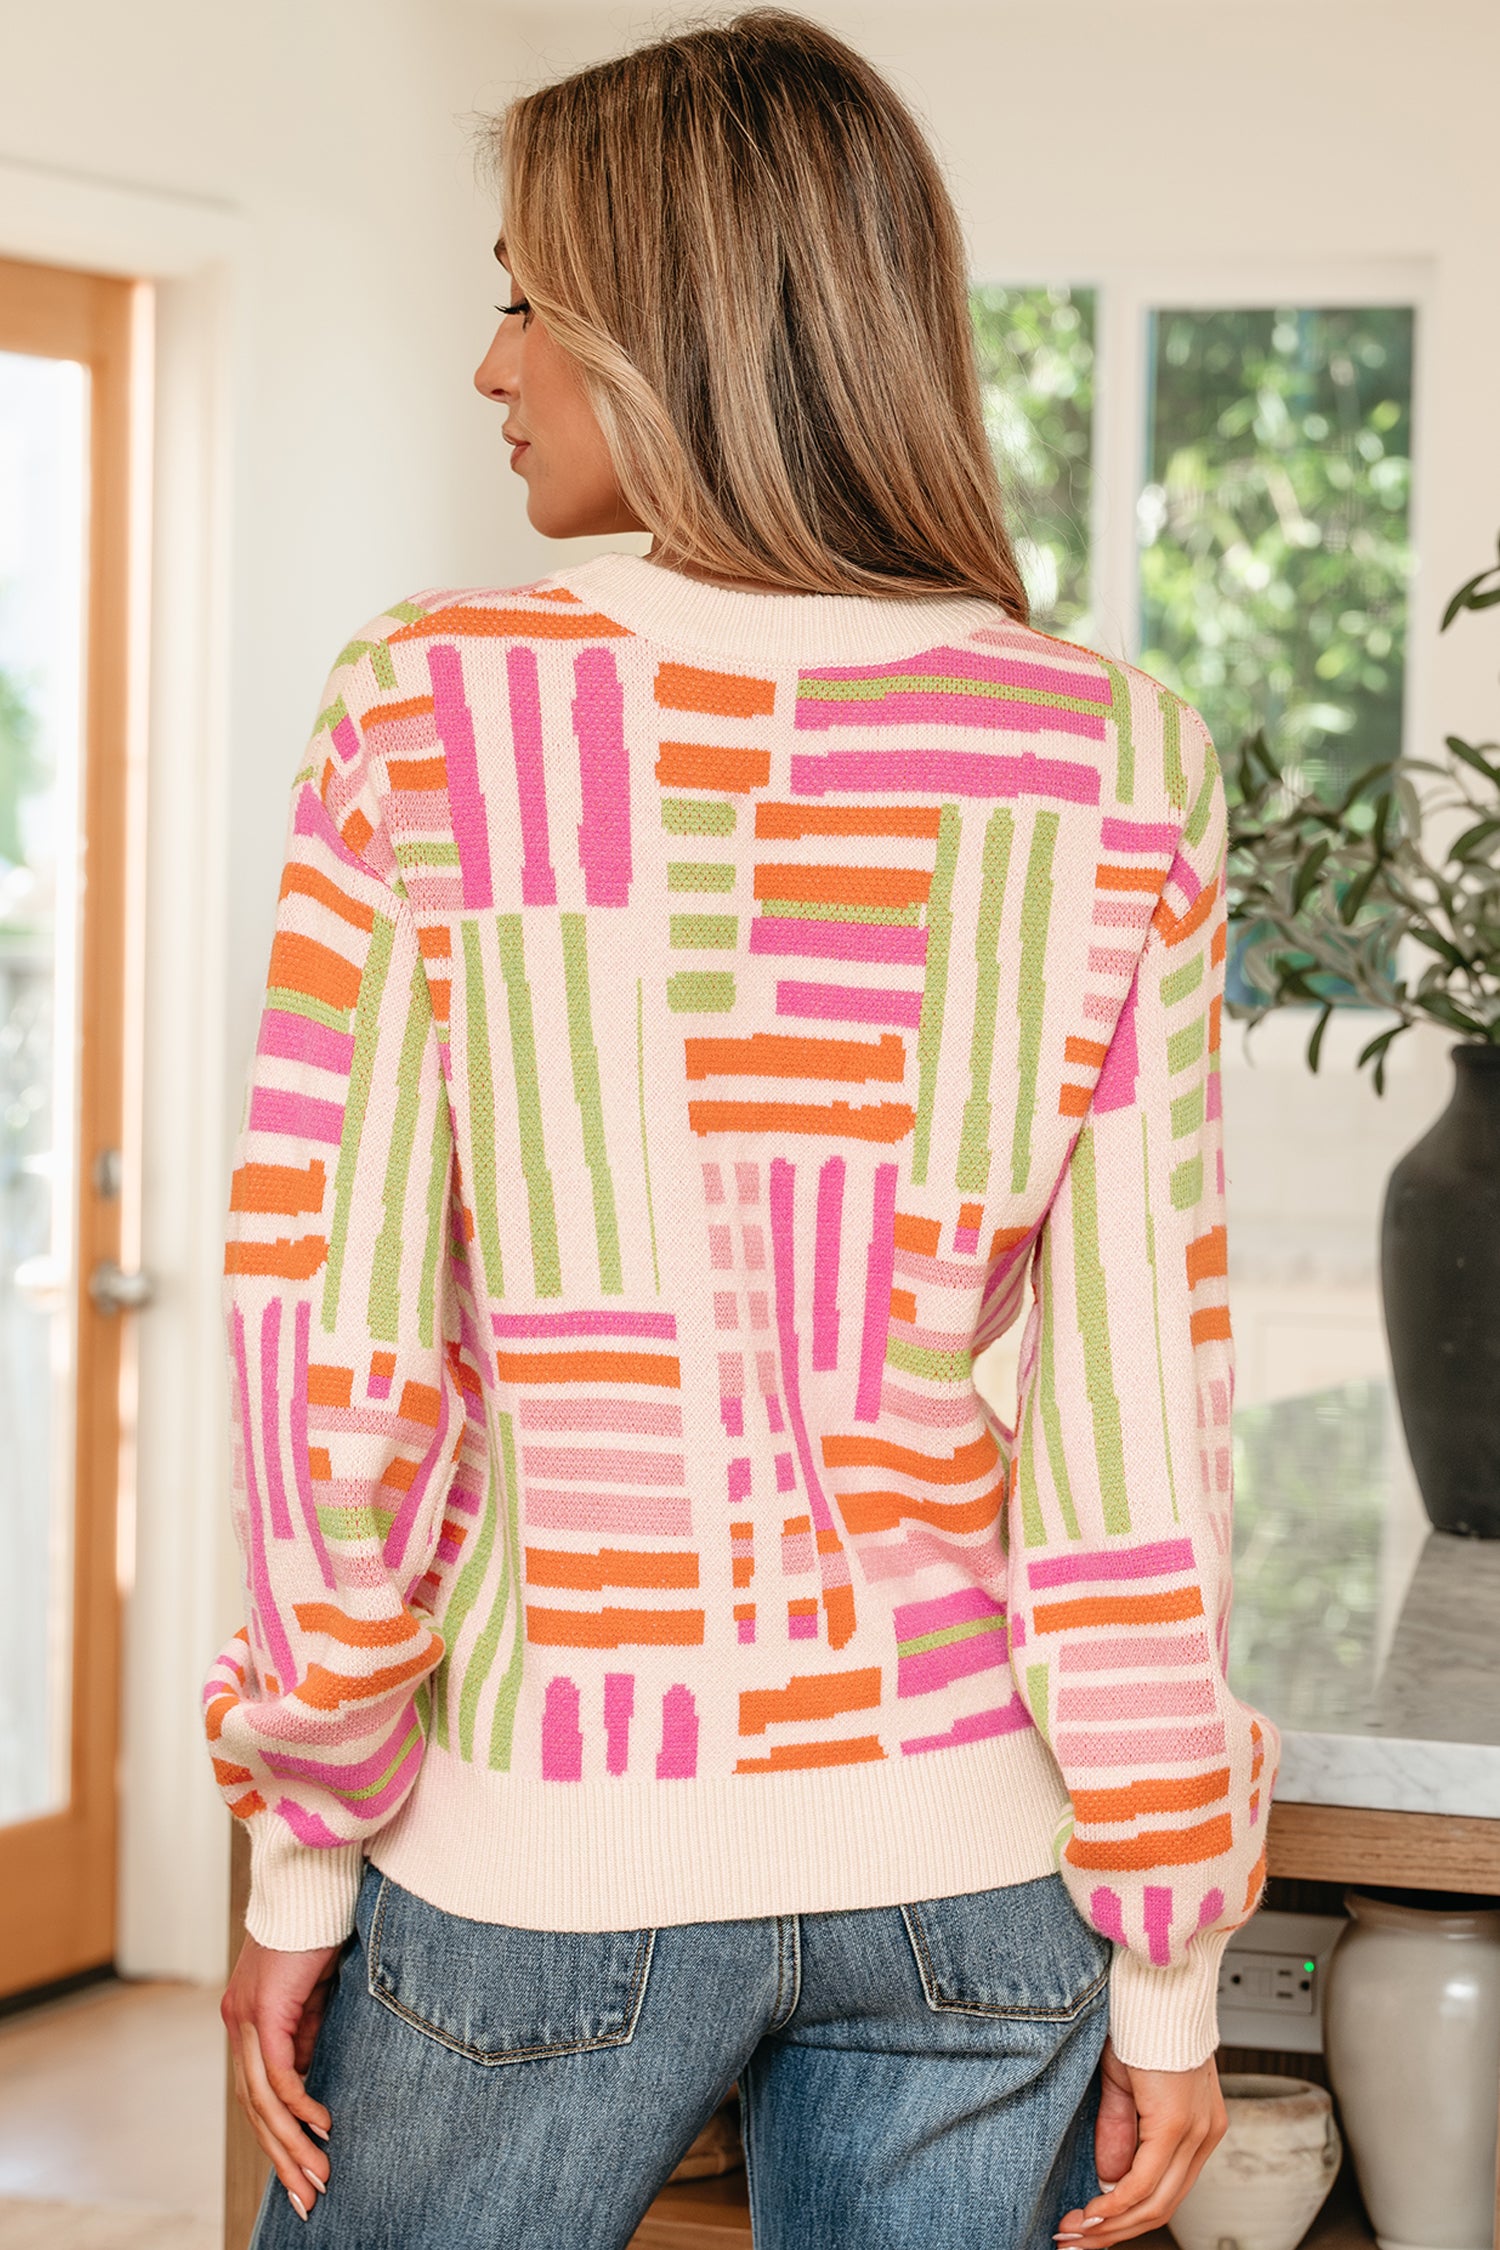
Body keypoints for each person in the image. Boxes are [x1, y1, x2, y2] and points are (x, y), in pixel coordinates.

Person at [210, 13, 1276, 2246]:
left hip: (547, 1852)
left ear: (670, 323)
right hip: (979, 1875)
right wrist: (1168, 1968)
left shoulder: (431, 708)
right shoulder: (1112, 754)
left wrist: (303, 1840)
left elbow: (337, 1357)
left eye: (528, 298)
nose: (491, 365)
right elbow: (1135, 1436)